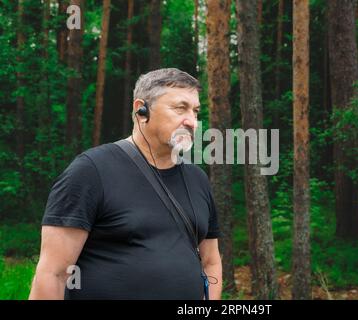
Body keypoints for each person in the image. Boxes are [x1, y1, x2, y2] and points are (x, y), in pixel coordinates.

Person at [29, 68, 223, 300]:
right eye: (180, 108)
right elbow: (53, 273)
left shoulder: (197, 179)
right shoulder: (91, 171)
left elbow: (211, 262)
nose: (192, 122)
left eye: (196, 111)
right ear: (141, 111)